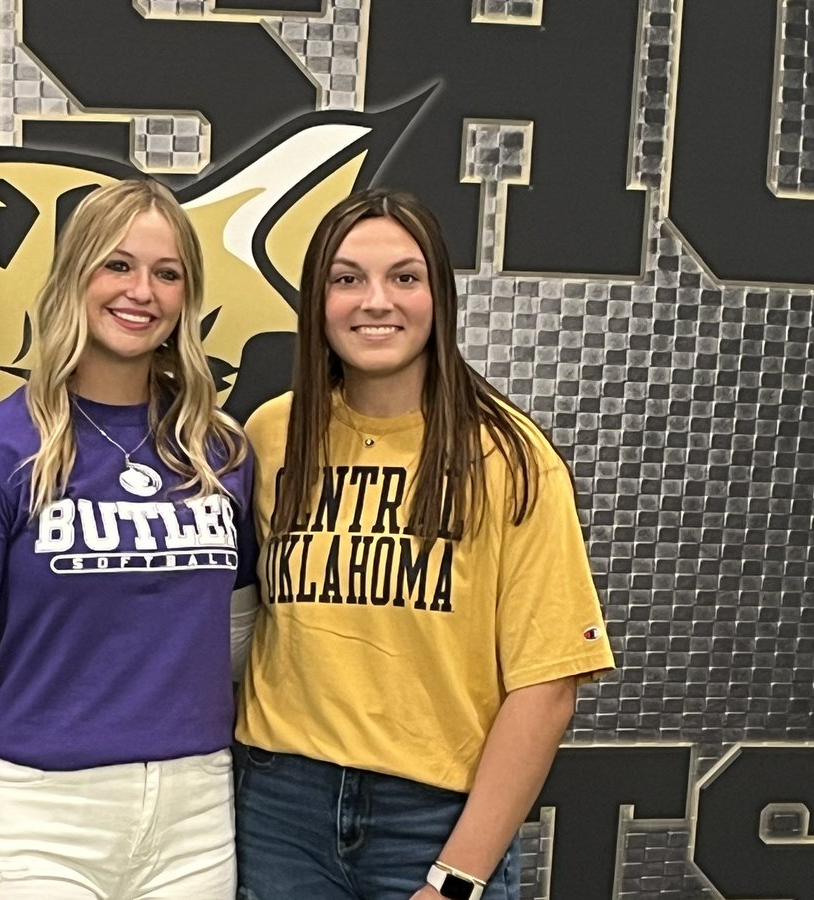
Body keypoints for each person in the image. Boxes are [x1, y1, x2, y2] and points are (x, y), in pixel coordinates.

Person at [234, 189, 615, 900]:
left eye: (404, 278)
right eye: (347, 279)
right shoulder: (270, 434)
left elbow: (547, 685)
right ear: (317, 300)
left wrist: (457, 878)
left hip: (435, 821)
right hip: (281, 807)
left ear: (438, 296)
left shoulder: (512, 457)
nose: (375, 301)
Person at [0, 179, 257, 900]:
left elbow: (237, 641)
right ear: (73, 279)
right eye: (116, 265)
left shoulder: (221, 455)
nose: (142, 291)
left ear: (187, 297)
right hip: (40, 821)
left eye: (167, 273)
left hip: (198, 816)